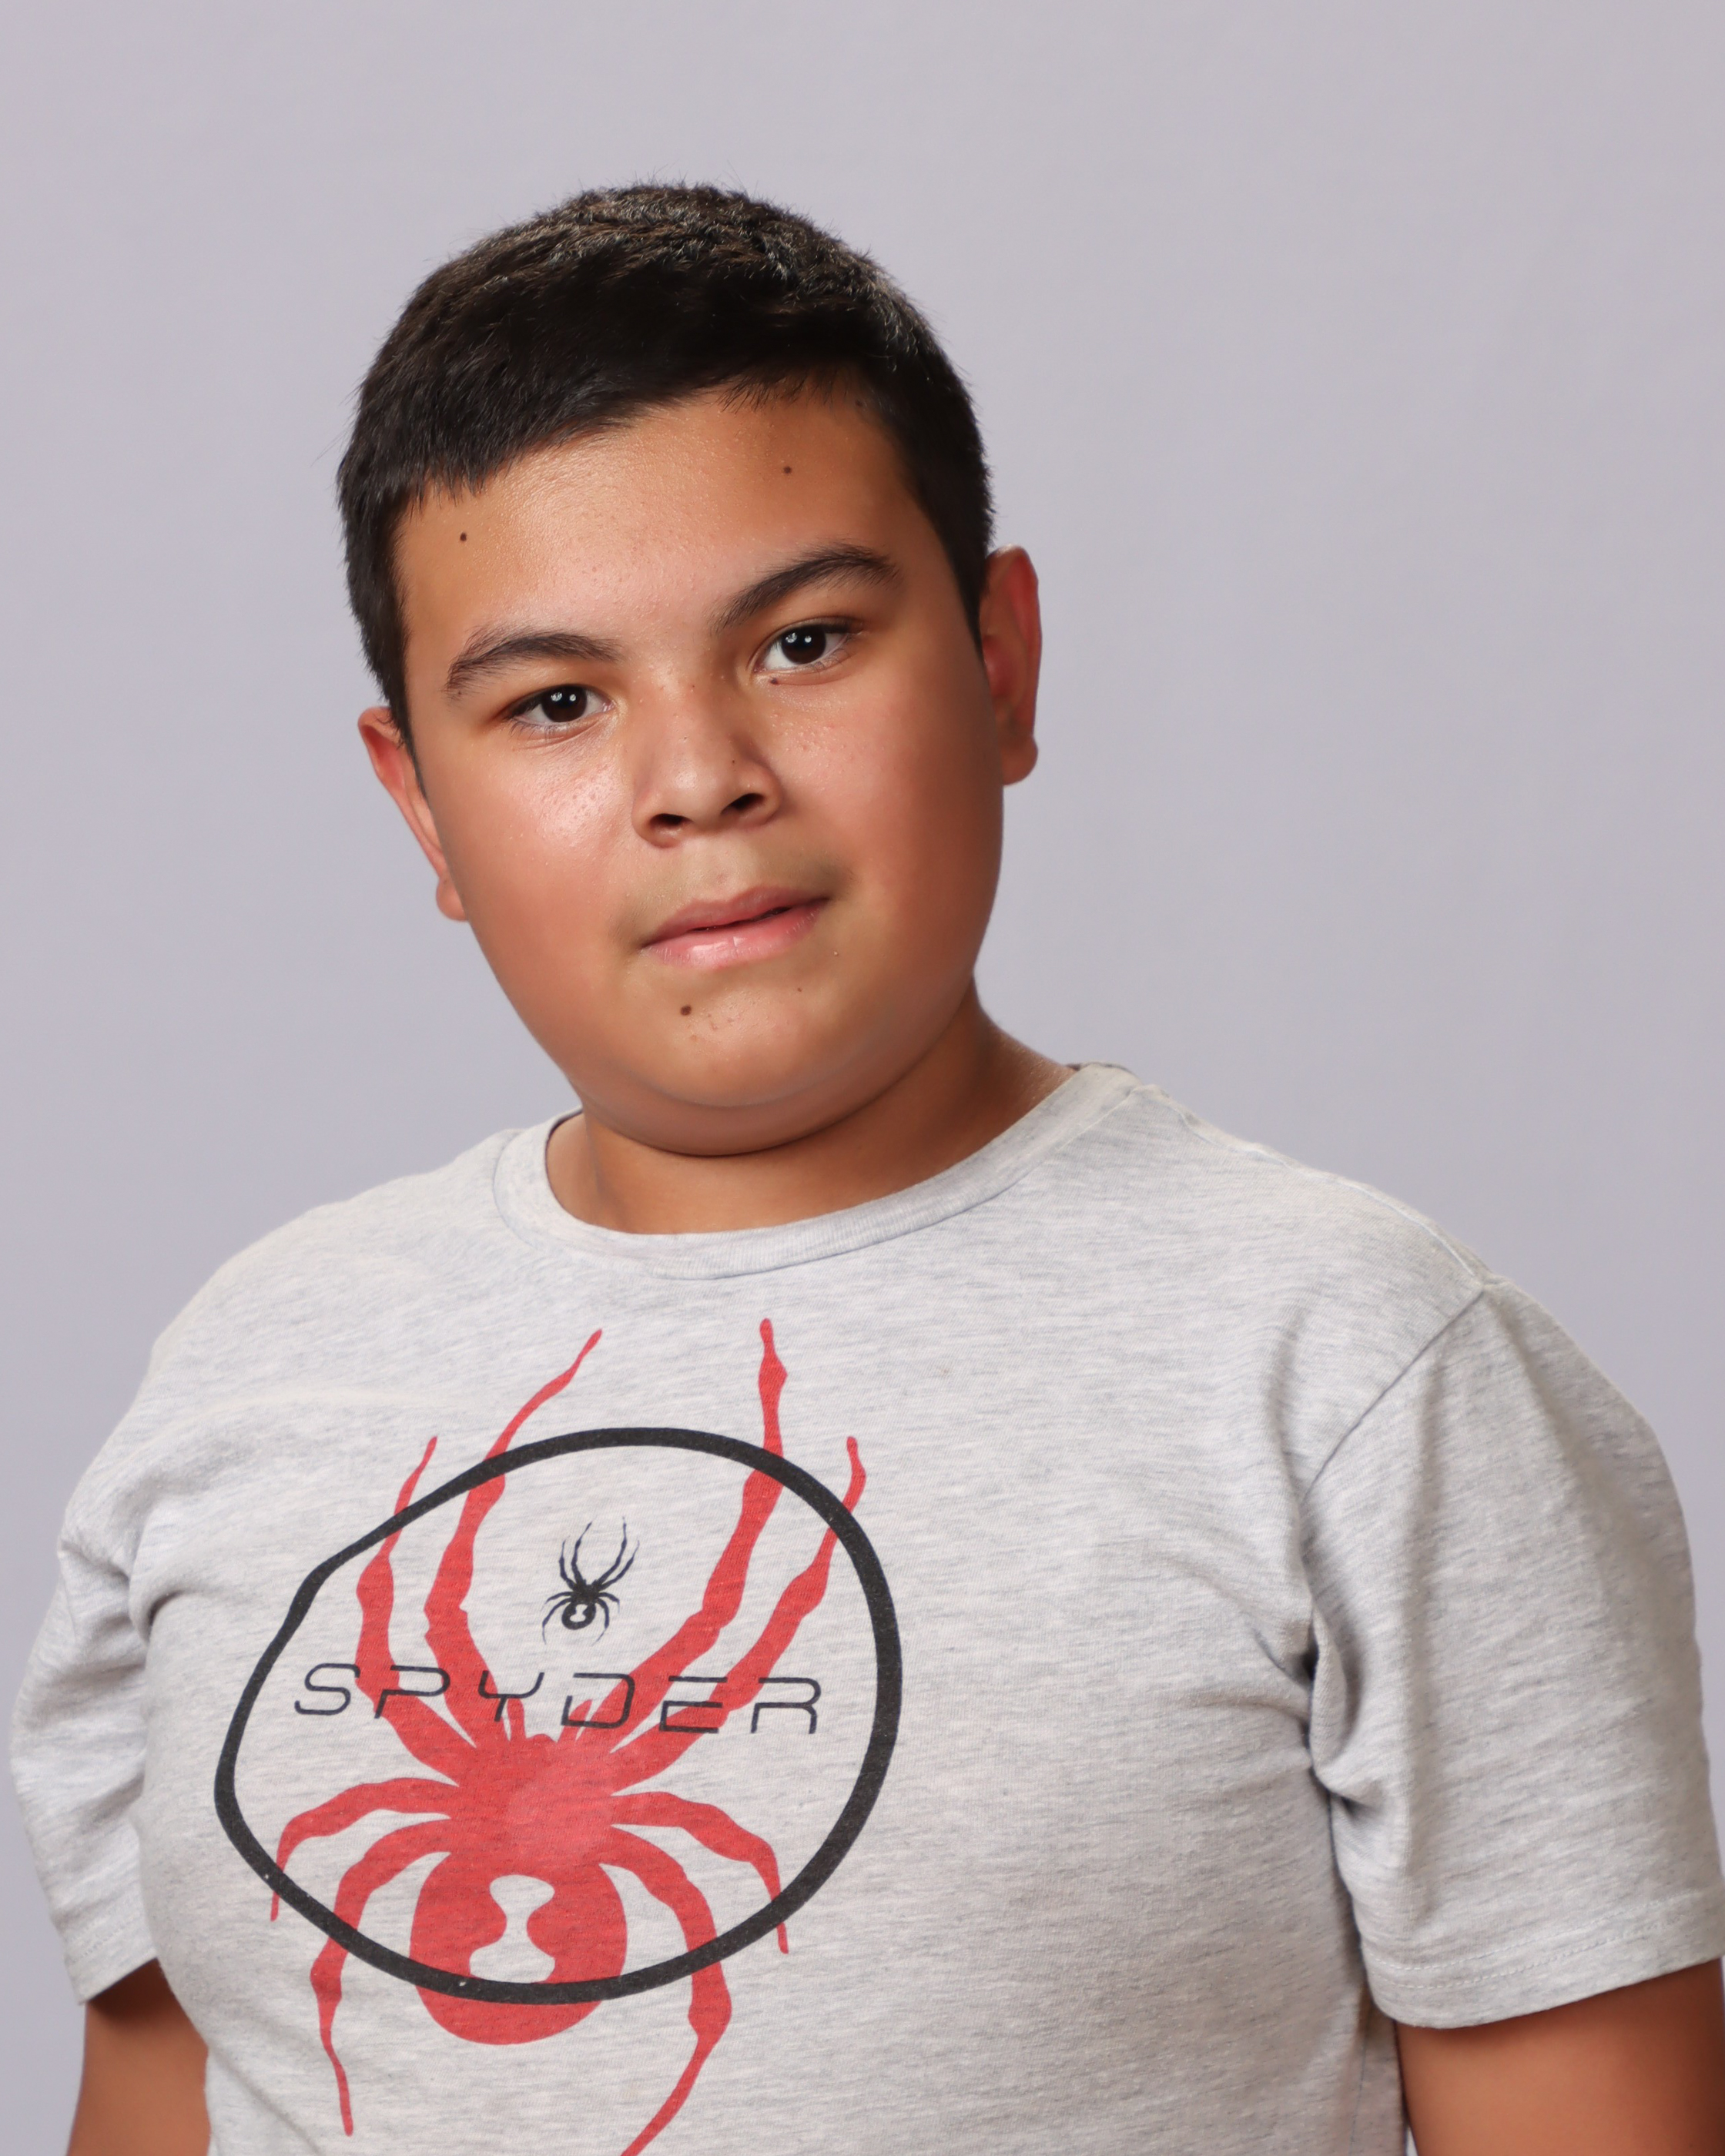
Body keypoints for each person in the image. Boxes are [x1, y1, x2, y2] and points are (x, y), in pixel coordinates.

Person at [11, 184, 1725, 2156]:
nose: (698, 777)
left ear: (1000, 663)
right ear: (422, 803)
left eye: (805, 641)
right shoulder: (250, 1365)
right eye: (557, 702)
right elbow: (167, 2085)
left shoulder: (1364, 1374)